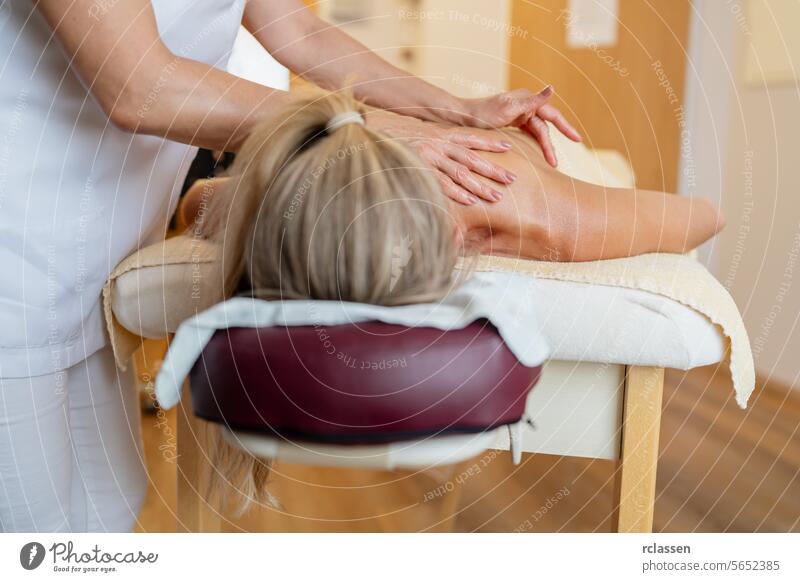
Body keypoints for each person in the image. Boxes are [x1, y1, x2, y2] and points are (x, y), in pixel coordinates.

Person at [0, 0, 580, 532]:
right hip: (16, 262)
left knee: (109, 510)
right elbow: (138, 86)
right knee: (36, 532)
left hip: (91, 269)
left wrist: (460, 111)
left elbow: (296, 30)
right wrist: (373, 129)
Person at [176, 90, 723, 510]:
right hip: (386, 144)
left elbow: (705, 216)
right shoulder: (286, 199)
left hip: (518, 156)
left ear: (457, 241)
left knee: (608, 168)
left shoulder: (535, 212)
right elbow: (198, 201)